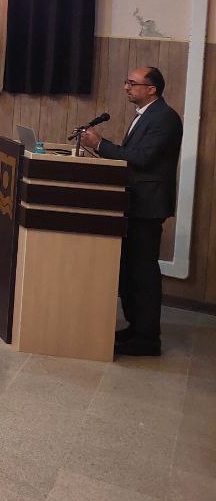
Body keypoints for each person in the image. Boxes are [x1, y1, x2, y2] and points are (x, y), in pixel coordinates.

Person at [82, 66, 184, 358]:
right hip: (134, 203)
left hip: (147, 207)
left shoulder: (165, 118)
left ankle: (148, 338)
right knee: (129, 270)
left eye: (132, 83)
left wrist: (100, 144)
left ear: (151, 89)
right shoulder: (146, 115)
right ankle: (136, 327)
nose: (126, 87)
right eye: (126, 82)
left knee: (143, 273)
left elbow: (142, 158)